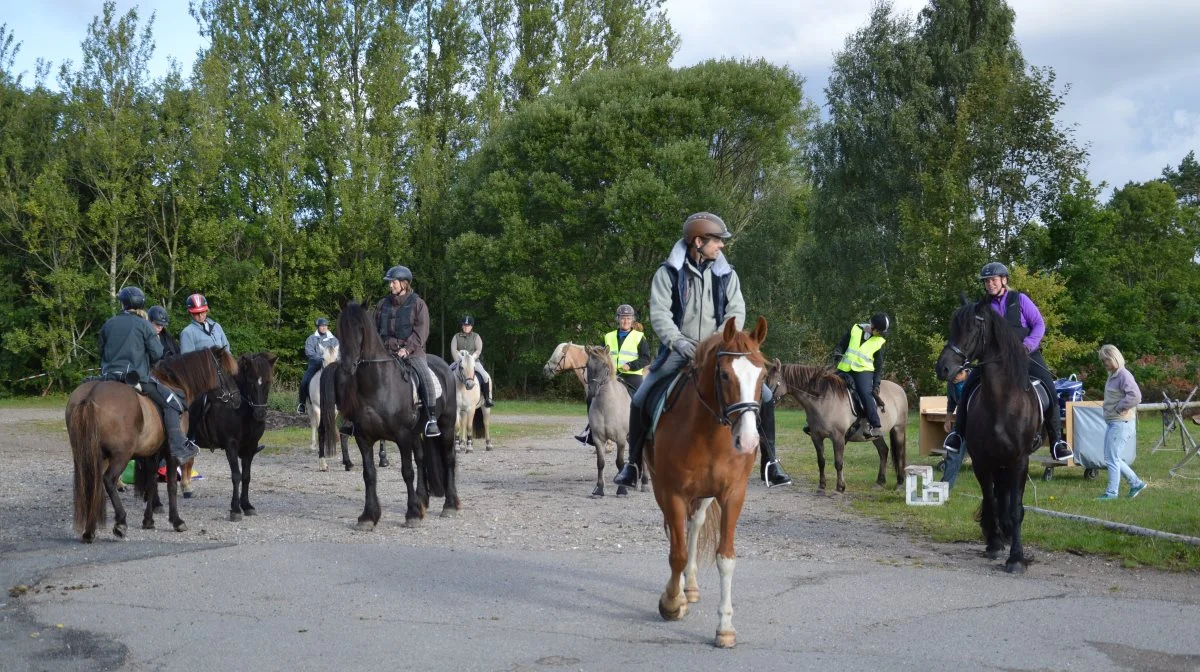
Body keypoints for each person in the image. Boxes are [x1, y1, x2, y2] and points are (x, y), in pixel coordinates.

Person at [614, 212, 793, 488]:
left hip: (719, 350)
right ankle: (633, 464)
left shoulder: (727, 274)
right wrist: (679, 341)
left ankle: (771, 462)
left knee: (766, 397)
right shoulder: (667, 273)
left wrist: (719, 341)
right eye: (717, 241)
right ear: (698, 242)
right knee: (641, 398)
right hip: (679, 349)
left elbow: (736, 310)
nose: (721, 245)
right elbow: (659, 313)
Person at [952, 262, 1074, 462]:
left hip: (1025, 354)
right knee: (967, 390)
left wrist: (1027, 345)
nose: (990, 284)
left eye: (993, 280)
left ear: (1004, 280)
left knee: (1050, 388)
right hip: (994, 360)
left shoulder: (1020, 300)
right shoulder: (983, 306)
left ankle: (1056, 442)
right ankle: (957, 435)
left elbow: (1039, 324)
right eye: (986, 281)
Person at [99, 287, 199, 464]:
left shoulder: (109, 323)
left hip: (108, 377)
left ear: (122, 303)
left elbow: (101, 351)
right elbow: (157, 353)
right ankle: (178, 446)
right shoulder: (144, 325)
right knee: (172, 402)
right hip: (135, 378)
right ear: (141, 304)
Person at [376, 265, 441, 437]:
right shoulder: (382, 304)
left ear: (404, 283)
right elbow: (375, 329)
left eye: (394, 282)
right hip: (385, 353)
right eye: (390, 283)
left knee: (425, 377)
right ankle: (354, 420)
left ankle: (431, 419)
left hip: (411, 353)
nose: (390, 286)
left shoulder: (418, 304)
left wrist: (406, 349)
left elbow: (421, 332)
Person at [575, 304, 652, 446]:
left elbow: (646, 358)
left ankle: (644, 432)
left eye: (628, 318)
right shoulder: (608, 336)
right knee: (591, 396)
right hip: (610, 377)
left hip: (631, 376)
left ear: (632, 320)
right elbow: (599, 355)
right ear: (618, 319)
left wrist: (631, 365)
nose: (626, 321)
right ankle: (592, 432)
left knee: (640, 400)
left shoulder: (639, 337)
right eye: (623, 318)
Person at [1097, 344, 1147, 500]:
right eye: (1103, 360)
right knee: (1112, 457)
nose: (1104, 363)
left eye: (1106, 360)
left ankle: (1111, 493)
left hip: (1121, 422)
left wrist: (1120, 407)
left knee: (1111, 458)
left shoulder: (1124, 375)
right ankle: (1136, 483)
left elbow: (1136, 396)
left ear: (1114, 357)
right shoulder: (1113, 375)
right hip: (1114, 422)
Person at [832, 313, 890, 439]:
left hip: (863, 371)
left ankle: (875, 426)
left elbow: (878, 366)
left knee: (864, 392)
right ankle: (812, 421)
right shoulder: (855, 329)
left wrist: (876, 384)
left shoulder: (878, 341)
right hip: (845, 368)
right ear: (872, 326)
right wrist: (837, 351)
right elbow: (842, 344)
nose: (880, 334)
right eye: (879, 331)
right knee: (825, 384)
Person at [297, 317, 339, 414]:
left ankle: (342, 403)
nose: (323, 328)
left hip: (332, 366)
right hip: (315, 365)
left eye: (325, 326)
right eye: (321, 326)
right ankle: (302, 404)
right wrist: (321, 359)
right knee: (304, 382)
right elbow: (309, 352)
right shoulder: (311, 339)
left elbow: (338, 352)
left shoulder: (334, 340)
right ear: (318, 327)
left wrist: (334, 360)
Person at [450, 316, 494, 408]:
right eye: (465, 325)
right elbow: (454, 350)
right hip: (460, 361)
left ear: (471, 326)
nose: (466, 327)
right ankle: (446, 398)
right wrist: (459, 358)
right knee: (447, 372)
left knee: (485, 376)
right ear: (462, 326)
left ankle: (487, 398)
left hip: (474, 362)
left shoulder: (476, 337)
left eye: (468, 325)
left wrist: (472, 358)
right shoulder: (456, 337)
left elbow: (478, 350)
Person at [940, 366, 970, 488]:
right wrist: (947, 420)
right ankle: (945, 486)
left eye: (955, 377)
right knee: (953, 451)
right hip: (961, 421)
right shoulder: (951, 383)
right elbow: (951, 402)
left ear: (963, 372)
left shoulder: (977, 378)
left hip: (980, 421)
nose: (953, 379)